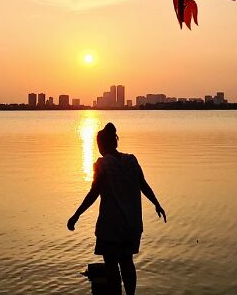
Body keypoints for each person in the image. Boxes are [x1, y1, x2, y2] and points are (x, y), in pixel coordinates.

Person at [67, 123, 167, 295]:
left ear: (102, 145)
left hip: (111, 225)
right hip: (132, 224)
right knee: (127, 262)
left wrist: (76, 215)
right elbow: (143, 185)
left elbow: (94, 193)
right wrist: (156, 203)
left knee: (112, 264)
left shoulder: (102, 164)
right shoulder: (131, 160)